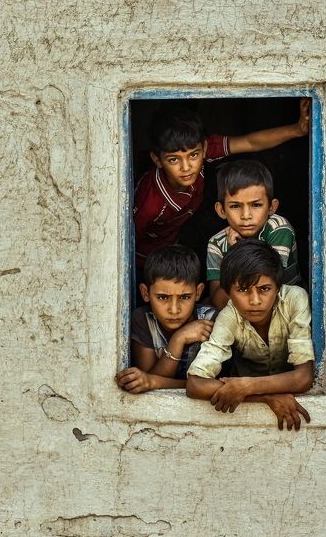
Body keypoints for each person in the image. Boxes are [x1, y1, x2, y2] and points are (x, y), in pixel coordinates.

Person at [133, 99, 310, 269]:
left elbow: (249, 141)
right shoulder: (149, 204)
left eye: (193, 155)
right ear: (157, 160)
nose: (186, 167)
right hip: (146, 260)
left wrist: (297, 130)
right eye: (173, 160)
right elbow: (124, 241)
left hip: (177, 241)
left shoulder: (204, 150)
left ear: (203, 148)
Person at [186, 239, 314, 431]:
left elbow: (304, 377)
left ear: (278, 287)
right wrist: (266, 396)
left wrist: (247, 386)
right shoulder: (229, 316)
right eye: (243, 290)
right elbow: (195, 384)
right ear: (228, 292)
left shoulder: (295, 299)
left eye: (264, 289)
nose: (255, 301)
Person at [115, 245, 215, 393]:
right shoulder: (143, 320)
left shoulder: (210, 320)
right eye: (163, 297)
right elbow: (145, 383)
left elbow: (215, 385)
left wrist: (152, 381)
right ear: (145, 293)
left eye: (185, 297)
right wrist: (178, 339)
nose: (174, 310)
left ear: (198, 292)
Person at [205, 160, 302, 309]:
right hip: (241, 311)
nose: (246, 215)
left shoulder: (278, 229)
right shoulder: (217, 243)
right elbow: (219, 301)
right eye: (235, 206)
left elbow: (265, 285)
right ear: (221, 210)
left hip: (286, 306)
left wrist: (237, 251)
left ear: (271, 207)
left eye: (256, 205)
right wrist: (233, 252)